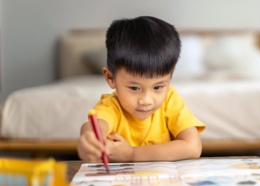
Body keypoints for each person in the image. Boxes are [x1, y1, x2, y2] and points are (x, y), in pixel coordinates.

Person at [77, 16, 205, 163]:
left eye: (158, 87)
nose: (146, 100)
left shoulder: (170, 99)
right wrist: (89, 139)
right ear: (110, 78)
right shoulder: (111, 107)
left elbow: (193, 147)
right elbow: (97, 125)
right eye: (134, 88)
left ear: (171, 75)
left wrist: (132, 154)